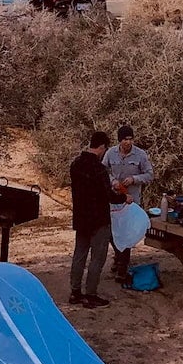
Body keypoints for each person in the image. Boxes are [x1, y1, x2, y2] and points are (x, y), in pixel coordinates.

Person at [68, 130, 119, 308]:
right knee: (97, 258)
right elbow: (109, 196)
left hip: (81, 218)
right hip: (98, 219)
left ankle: (75, 292)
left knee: (79, 255)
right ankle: (91, 294)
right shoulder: (99, 169)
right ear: (102, 147)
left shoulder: (76, 164)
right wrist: (123, 198)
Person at [102, 122, 154, 281]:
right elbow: (103, 171)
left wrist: (134, 179)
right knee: (112, 233)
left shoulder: (140, 155)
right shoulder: (110, 153)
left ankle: (122, 269)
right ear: (119, 140)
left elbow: (150, 175)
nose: (128, 142)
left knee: (126, 233)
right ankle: (118, 257)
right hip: (114, 200)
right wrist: (112, 181)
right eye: (125, 139)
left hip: (131, 202)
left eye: (130, 139)